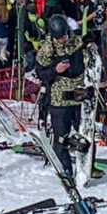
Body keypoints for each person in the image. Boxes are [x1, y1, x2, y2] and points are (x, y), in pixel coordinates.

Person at [35, 15, 85, 177]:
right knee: (61, 137)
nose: (61, 40)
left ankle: (85, 164)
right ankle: (66, 169)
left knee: (83, 133)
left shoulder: (77, 42)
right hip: (59, 98)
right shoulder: (47, 49)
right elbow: (40, 73)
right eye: (58, 38)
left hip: (78, 93)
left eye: (63, 36)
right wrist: (55, 70)